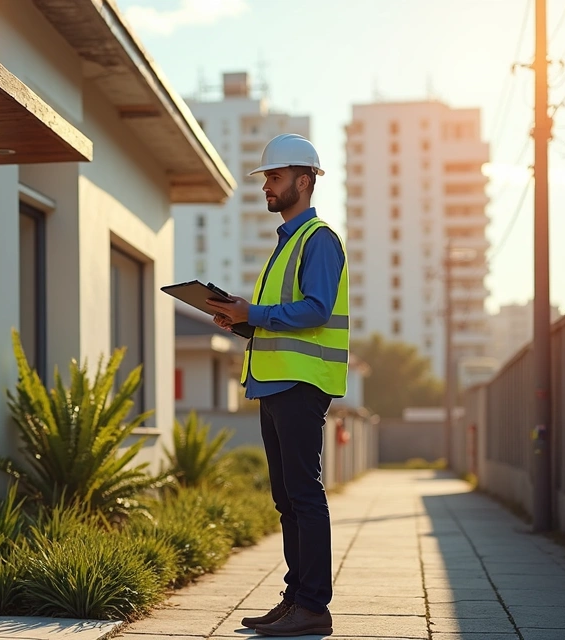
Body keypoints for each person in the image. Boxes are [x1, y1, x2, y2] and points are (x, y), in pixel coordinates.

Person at [205, 133, 349, 638]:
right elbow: (279, 319)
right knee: (287, 497)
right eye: (266, 178)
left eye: (275, 177)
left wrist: (257, 314)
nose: (267, 186)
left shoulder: (320, 240)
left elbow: (315, 309)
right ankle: (296, 598)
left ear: (304, 182)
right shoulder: (286, 243)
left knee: (304, 494)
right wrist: (241, 321)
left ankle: (313, 606)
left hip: (301, 384)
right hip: (274, 383)